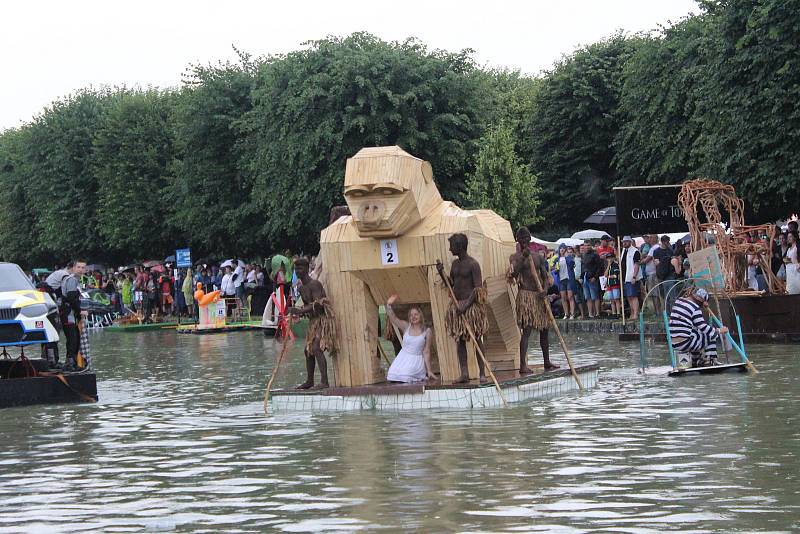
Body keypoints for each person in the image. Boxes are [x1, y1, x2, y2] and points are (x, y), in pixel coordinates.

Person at [508, 227, 559, 373]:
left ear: (530, 239)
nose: (524, 241)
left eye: (526, 238)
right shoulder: (515, 257)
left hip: (539, 297)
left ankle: (547, 361)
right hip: (526, 297)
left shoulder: (538, 257)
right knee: (527, 331)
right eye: (521, 238)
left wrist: (544, 290)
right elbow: (513, 275)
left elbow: (545, 276)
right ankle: (523, 365)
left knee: (544, 329)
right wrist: (523, 257)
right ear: (517, 240)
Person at [441, 233, 489, 384]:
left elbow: (478, 289)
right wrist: (441, 273)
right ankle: (464, 373)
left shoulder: (473, 264)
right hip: (458, 305)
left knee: (477, 339)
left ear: (459, 246)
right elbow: (451, 283)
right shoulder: (455, 265)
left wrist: (466, 306)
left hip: (471, 306)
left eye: (452, 246)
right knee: (460, 340)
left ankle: (482, 373)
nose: (450, 249)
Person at [289, 257, 337, 389]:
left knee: (316, 347)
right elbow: (307, 307)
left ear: (307, 269)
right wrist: (299, 314)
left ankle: (324, 382)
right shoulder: (301, 288)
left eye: (300, 268)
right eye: (296, 269)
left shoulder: (315, 284)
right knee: (308, 350)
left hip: (323, 320)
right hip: (313, 321)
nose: (298, 271)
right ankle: (309, 381)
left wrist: (300, 310)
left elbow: (319, 304)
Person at [669, 288, 728, 368]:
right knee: (711, 335)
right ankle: (710, 360)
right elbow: (704, 327)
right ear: (701, 301)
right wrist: (719, 331)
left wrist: (703, 304)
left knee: (697, 334)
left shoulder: (678, 301)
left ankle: (695, 360)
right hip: (685, 343)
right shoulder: (695, 308)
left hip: (674, 343)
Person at [384, 294, 436, 383]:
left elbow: (426, 351)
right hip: (402, 357)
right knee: (392, 374)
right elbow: (394, 319)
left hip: (416, 360)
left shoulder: (427, 331)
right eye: (411, 315)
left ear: (420, 316)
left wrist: (429, 371)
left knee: (406, 375)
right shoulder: (406, 326)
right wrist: (388, 305)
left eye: (416, 314)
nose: (413, 317)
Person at [59, 260, 87, 370]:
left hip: (71, 313)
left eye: (83, 267)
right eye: (79, 267)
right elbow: (71, 297)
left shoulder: (76, 280)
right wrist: (80, 311)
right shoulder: (71, 280)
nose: (81, 270)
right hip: (67, 313)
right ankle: (70, 363)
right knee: (73, 339)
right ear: (74, 268)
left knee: (75, 338)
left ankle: (73, 362)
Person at [620, 236, 642, 320]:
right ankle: (632, 312)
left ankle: (636, 313)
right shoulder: (623, 251)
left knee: (633, 295)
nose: (624, 243)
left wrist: (634, 276)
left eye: (626, 242)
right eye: (623, 242)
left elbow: (636, 264)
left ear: (630, 242)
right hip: (624, 277)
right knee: (628, 296)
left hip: (632, 277)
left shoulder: (635, 251)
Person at [580, 242, 604, 319]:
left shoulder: (595, 255)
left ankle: (597, 313)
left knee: (595, 296)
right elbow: (582, 267)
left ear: (591, 246)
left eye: (588, 245)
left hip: (592, 277)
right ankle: (590, 313)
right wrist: (581, 277)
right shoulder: (583, 255)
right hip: (585, 278)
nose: (587, 247)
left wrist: (595, 277)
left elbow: (599, 267)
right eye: (585, 245)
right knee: (588, 297)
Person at [557, 245, 576, 320]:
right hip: (561, 280)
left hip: (569, 279)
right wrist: (555, 270)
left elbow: (571, 264)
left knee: (570, 297)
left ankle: (572, 314)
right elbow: (555, 269)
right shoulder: (557, 259)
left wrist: (567, 256)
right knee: (563, 297)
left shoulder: (569, 257)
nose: (562, 249)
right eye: (560, 248)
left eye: (563, 248)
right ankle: (566, 313)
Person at [603, 252, 622, 318]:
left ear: (613, 258)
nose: (609, 259)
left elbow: (615, 276)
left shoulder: (616, 265)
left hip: (615, 284)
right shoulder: (608, 265)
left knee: (616, 299)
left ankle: (618, 313)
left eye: (611, 258)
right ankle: (614, 313)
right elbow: (605, 275)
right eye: (608, 258)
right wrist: (608, 265)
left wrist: (608, 276)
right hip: (609, 285)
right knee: (611, 300)